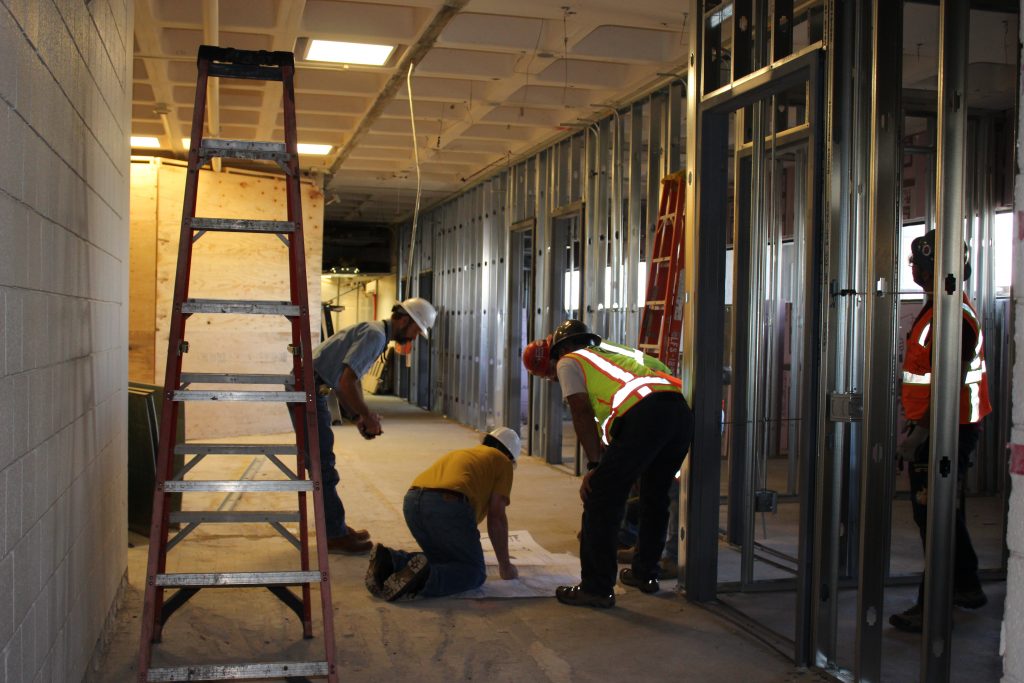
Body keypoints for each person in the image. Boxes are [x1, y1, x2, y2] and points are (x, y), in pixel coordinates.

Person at [522, 320, 694, 608]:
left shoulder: (569, 360)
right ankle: (644, 573)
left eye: (550, 372)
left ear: (559, 350)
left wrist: (594, 467)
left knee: (600, 496)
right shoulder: (617, 353)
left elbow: (580, 410)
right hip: (679, 414)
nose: (553, 377)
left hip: (645, 416)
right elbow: (659, 375)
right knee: (655, 495)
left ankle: (597, 587)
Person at [889, 229, 991, 633]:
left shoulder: (954, 317)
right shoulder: (938, 309)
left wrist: (921, 435)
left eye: (921, 265)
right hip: (938, 425)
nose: (915, 270)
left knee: (934, 515)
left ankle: (932, 605)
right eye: (915, 264)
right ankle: (967, 587)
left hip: (948, 430)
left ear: (939, 270)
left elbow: (949, 381)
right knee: (944, 512)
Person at [311, 297, 437, 554]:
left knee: (324, 463)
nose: (413, 338)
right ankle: (334, 534)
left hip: (313, 390)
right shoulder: (376, 336)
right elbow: (345, 383)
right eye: (415, 330)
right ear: (404, 320)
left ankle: (336, 527)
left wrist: (359, 415)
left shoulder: (375, 333)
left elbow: (352, 380)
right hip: (308, 392)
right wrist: (366, 416)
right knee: (322, 465)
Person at [364, 428, 521, 601]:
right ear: (511, 456)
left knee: (445, 562)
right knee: (474, 572)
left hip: (412, 502)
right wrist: (505, 565)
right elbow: (496, 517)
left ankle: (390, 560)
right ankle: (423, 580)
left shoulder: (465, 453)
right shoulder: (503, 462)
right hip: (448, 503)